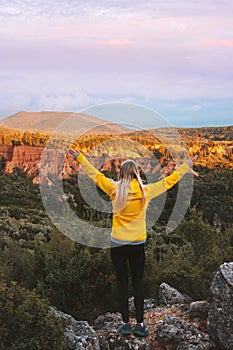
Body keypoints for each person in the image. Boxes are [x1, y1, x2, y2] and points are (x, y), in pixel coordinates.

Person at [69, 149, 198, 337]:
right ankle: (140, 325)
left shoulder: (114, 189)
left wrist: (80, 158)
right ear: (136, 173)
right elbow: (170, 181)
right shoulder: (145, 191)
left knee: (122, 283)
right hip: (137, 245)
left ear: (120, 174)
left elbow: (95, 175)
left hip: (118, 245)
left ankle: (125, 323)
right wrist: (187, 165)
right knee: (138, 284)